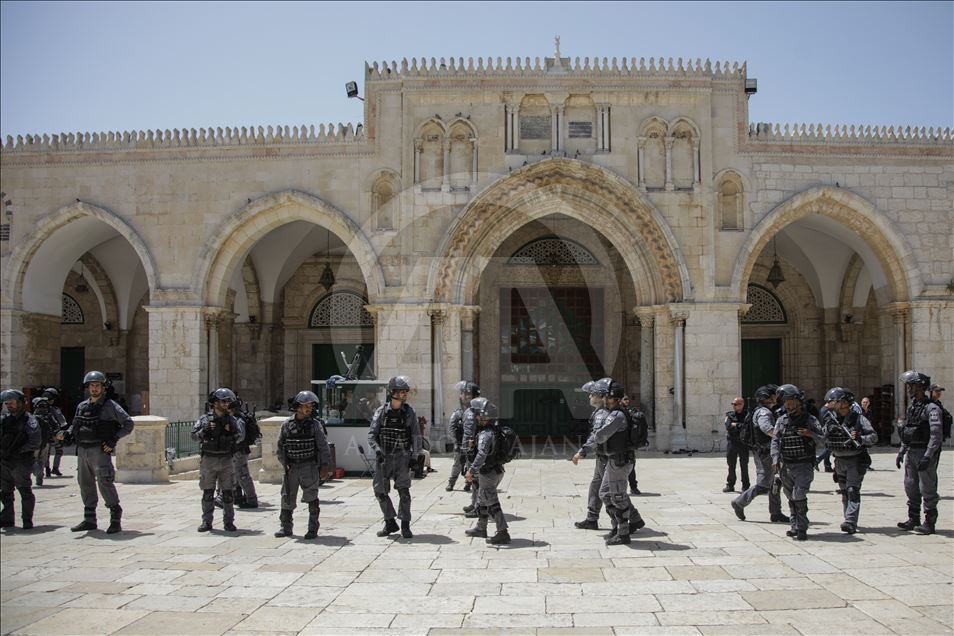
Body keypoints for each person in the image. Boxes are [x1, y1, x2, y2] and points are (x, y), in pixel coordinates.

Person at [59, 372, 134, 534]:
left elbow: (128, 423)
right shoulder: (82, 406)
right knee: (85, 483)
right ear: (87, 388)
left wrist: (114, 439)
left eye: (97, 385)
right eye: (91, 385)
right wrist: (67, 433)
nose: (94, 388)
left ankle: (115, 518)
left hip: (100, 450)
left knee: (104, 482)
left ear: (103, 387)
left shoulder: (110, 406)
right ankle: (89, 519)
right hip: (83, 451)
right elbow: (75, 424)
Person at [574, 380, 644, 545]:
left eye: (604, 395)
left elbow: (600, 435)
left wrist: (583, 451)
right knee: (605, 494)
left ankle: (623, 533)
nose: (602, 398)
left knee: (618, 497)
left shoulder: (617, 415)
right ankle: (619, 527)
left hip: (619, 461)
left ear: (611, 397)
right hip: (614, 459)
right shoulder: (614, 413)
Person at [367, 375, 422, 539]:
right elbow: (371, 435)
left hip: (402, 457)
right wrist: (377, 450)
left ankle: (405, 525)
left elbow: (416, 436)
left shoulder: (409, 412)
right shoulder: (381, 412)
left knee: (404, 492)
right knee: (380, 491)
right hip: (384, 457)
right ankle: (390, 521)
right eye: (401, 391)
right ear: (393, 392)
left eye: (406, 391)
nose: (405, 394)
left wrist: (415, 456)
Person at [771, 384, 826, 541]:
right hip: (786, 465)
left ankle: (802, 527)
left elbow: (823, 441)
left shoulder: (810, 420)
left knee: (799, 495)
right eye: (785, 402)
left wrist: (810, 434)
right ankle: (794, 525)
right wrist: (775, 459)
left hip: (804, 465)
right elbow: (775, 441)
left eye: (790, 401)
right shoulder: (782, 420)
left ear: (798, 401)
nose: (787, 405)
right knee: (791, 497)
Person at [275, 391, 332, 539]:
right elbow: (280, 447)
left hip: (309, 466)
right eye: (305, 405)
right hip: (291, 468)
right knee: (287, 497)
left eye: (310, 405)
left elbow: (323, 447)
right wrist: (284, 463)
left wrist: (325, 466)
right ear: (298, 407)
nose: (308, 408)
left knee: (312, 498)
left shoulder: (315, 425)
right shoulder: (287, 425)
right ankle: (285, 527)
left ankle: (312, 529)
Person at [822, 388, 878, 534]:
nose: (834, 404)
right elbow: (822, 437)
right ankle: (848, 517)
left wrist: (860, 438)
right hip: (839, 460)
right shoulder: (831, 419)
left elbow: (873, 437)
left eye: (837, 401)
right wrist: (828, 431)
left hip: (855, 459)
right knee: (844, 492)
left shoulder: (859, 419)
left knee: (853, 490)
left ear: (845, 403)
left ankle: (850, 521)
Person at [731, 385, 788, 524]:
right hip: (765, 452)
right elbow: (766, 428)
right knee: (764, 484)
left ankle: (776, 513)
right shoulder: (764, 412)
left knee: (776, 481)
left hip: (766, 451)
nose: (777, 398)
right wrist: (781, 436)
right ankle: (739, 502)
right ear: (767, 397)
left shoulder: (763, 410)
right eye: (774, 395)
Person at [896, 371, 944, 535]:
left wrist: (928, 455)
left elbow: (936, 435)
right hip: (912, 451)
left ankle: (929, 522)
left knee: (927, 487)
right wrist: (902, 451)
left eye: (911, 385)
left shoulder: (932, 408)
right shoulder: (912, 406)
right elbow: (908, 431)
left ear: (920, 387)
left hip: (925, 451)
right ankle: (913, 518)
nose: (909, 388)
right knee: (910, 485)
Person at [191, 388, 244, 532]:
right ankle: (206, 522)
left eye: (227, 401)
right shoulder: (204, 419)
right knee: (208, 493)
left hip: (226, 459)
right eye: (223, 401)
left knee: (228, 493)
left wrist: (229, 433)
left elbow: (240, 436)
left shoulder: (231, 420)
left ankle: (229, 522)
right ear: (215, 403)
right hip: (209, 459)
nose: (226, 404)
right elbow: (194, 436)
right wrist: (205, 430)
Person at [464, 398, 510, 545]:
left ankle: (503, 532)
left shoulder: (485, 434)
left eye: (478, 415)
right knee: (482, 499)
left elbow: (482, 454)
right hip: (495, 470)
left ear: (485, 416)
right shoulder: (492, 430)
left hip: (488, 473)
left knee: (492, 502)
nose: (476, 417)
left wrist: (471, 470)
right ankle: (481, 528)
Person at [572, 378, 611, 530]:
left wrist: (582, 451)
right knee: (597, 486)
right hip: (602, 456)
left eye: (592, 394)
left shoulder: (602, 413)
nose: (589, 397)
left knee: (610, 490)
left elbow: (597, 436)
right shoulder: (601, 411)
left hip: (607, 457)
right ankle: (592, 518)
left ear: (601, 397)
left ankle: (632, 519)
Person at [1, 389, 40, 530]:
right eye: (7, 403)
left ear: (20, 403)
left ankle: (27, 520)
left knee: (24, 490)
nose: (9, 405)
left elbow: (35, 441)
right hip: (5, 461)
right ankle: (6, 519)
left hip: (20, 462)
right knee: (5, 492)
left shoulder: (29, 420)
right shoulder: (5, 420)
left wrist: (19, 451)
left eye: (12, 402)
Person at [447, 381, 479, 491]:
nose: (465, 397)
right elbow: (451, 429)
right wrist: (458, 442)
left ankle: (468, 483)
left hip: (473, 445)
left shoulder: (477, 413)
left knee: (471, 464)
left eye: (468, 394)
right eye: (463, 394)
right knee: (457, 465)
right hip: (460, 444)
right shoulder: (458, 413)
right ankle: (451, 483)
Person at [229, 397, 260, 509]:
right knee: (236, 474)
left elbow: (240, 436)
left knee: (242, 475)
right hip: (237, 450)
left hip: (239, 451)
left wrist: (230, 440)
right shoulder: (236, 418)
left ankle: (252, 499)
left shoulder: (238, 419)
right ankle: (238, 497)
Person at [723, 397, 751, 493]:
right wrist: (739, 426)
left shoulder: (748, 415)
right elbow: (728, 426)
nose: (733, 406)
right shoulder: (729, 415)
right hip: (732, 442)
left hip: (743, 443)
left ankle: (745, 486)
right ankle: (730, 485)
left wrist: (736, 425)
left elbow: (747, 427)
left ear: (742, 404)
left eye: (736, 404)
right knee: (731, 464)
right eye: (733, 404)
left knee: (744, 465)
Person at [41, 388, 69, 477]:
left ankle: (47, 469)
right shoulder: (54, 409)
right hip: (55, 433)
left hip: (44, 435)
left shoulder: (38, 408)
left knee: (46, 453)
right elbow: (62, 421)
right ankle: (55, 468)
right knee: (59, 450)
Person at [30, 396, 56, 487]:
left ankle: (38, 473)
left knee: (33, 460)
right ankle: (39, 480)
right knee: (42, 460)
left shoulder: (32, 418)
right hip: (46, 442)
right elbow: (56, 426)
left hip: (35, 443)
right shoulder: (49, 416)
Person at [621, 394, 644, 495]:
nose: (627, 401)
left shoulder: (629, 412)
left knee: (631, 466)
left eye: (627, 399)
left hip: (627, 444)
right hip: (621, 444)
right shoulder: (619, 412)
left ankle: (633, 487)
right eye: (625, 399)